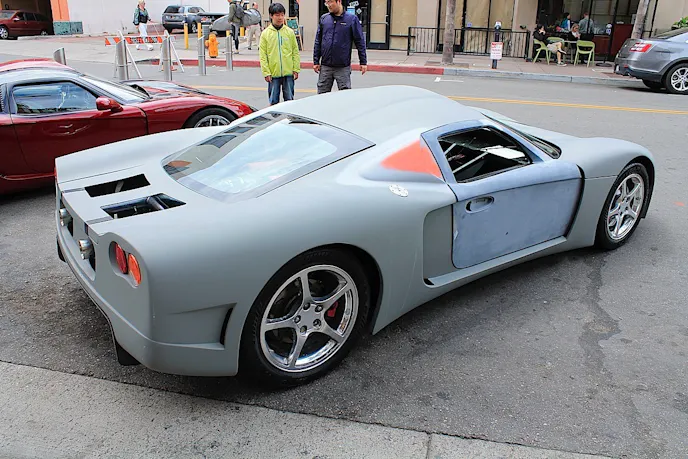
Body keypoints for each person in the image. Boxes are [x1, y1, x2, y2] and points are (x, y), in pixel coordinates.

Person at [313, 0, 367, 94]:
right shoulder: (324, 19)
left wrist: (363, 62)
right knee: (321, 95)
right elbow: (318, 40)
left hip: (342, 67)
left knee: (344, 95)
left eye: (330, 2)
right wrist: (316, 61)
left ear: (339, 1)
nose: (328, 5)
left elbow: (359, 41)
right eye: (326, 2)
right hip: (326, 66)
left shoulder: (351, 19)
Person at [259, 3, 300, 105]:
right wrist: (266, 72)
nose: (280, 18)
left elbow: (295, 51)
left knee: (289, 101)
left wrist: (296, 69)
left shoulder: (289, 32)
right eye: (277, 15)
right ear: (271, 16)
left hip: (288, 72)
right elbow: (263, 55)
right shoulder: (265, 34)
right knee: (273, 101)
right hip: (273, 73)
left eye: (282, 15)